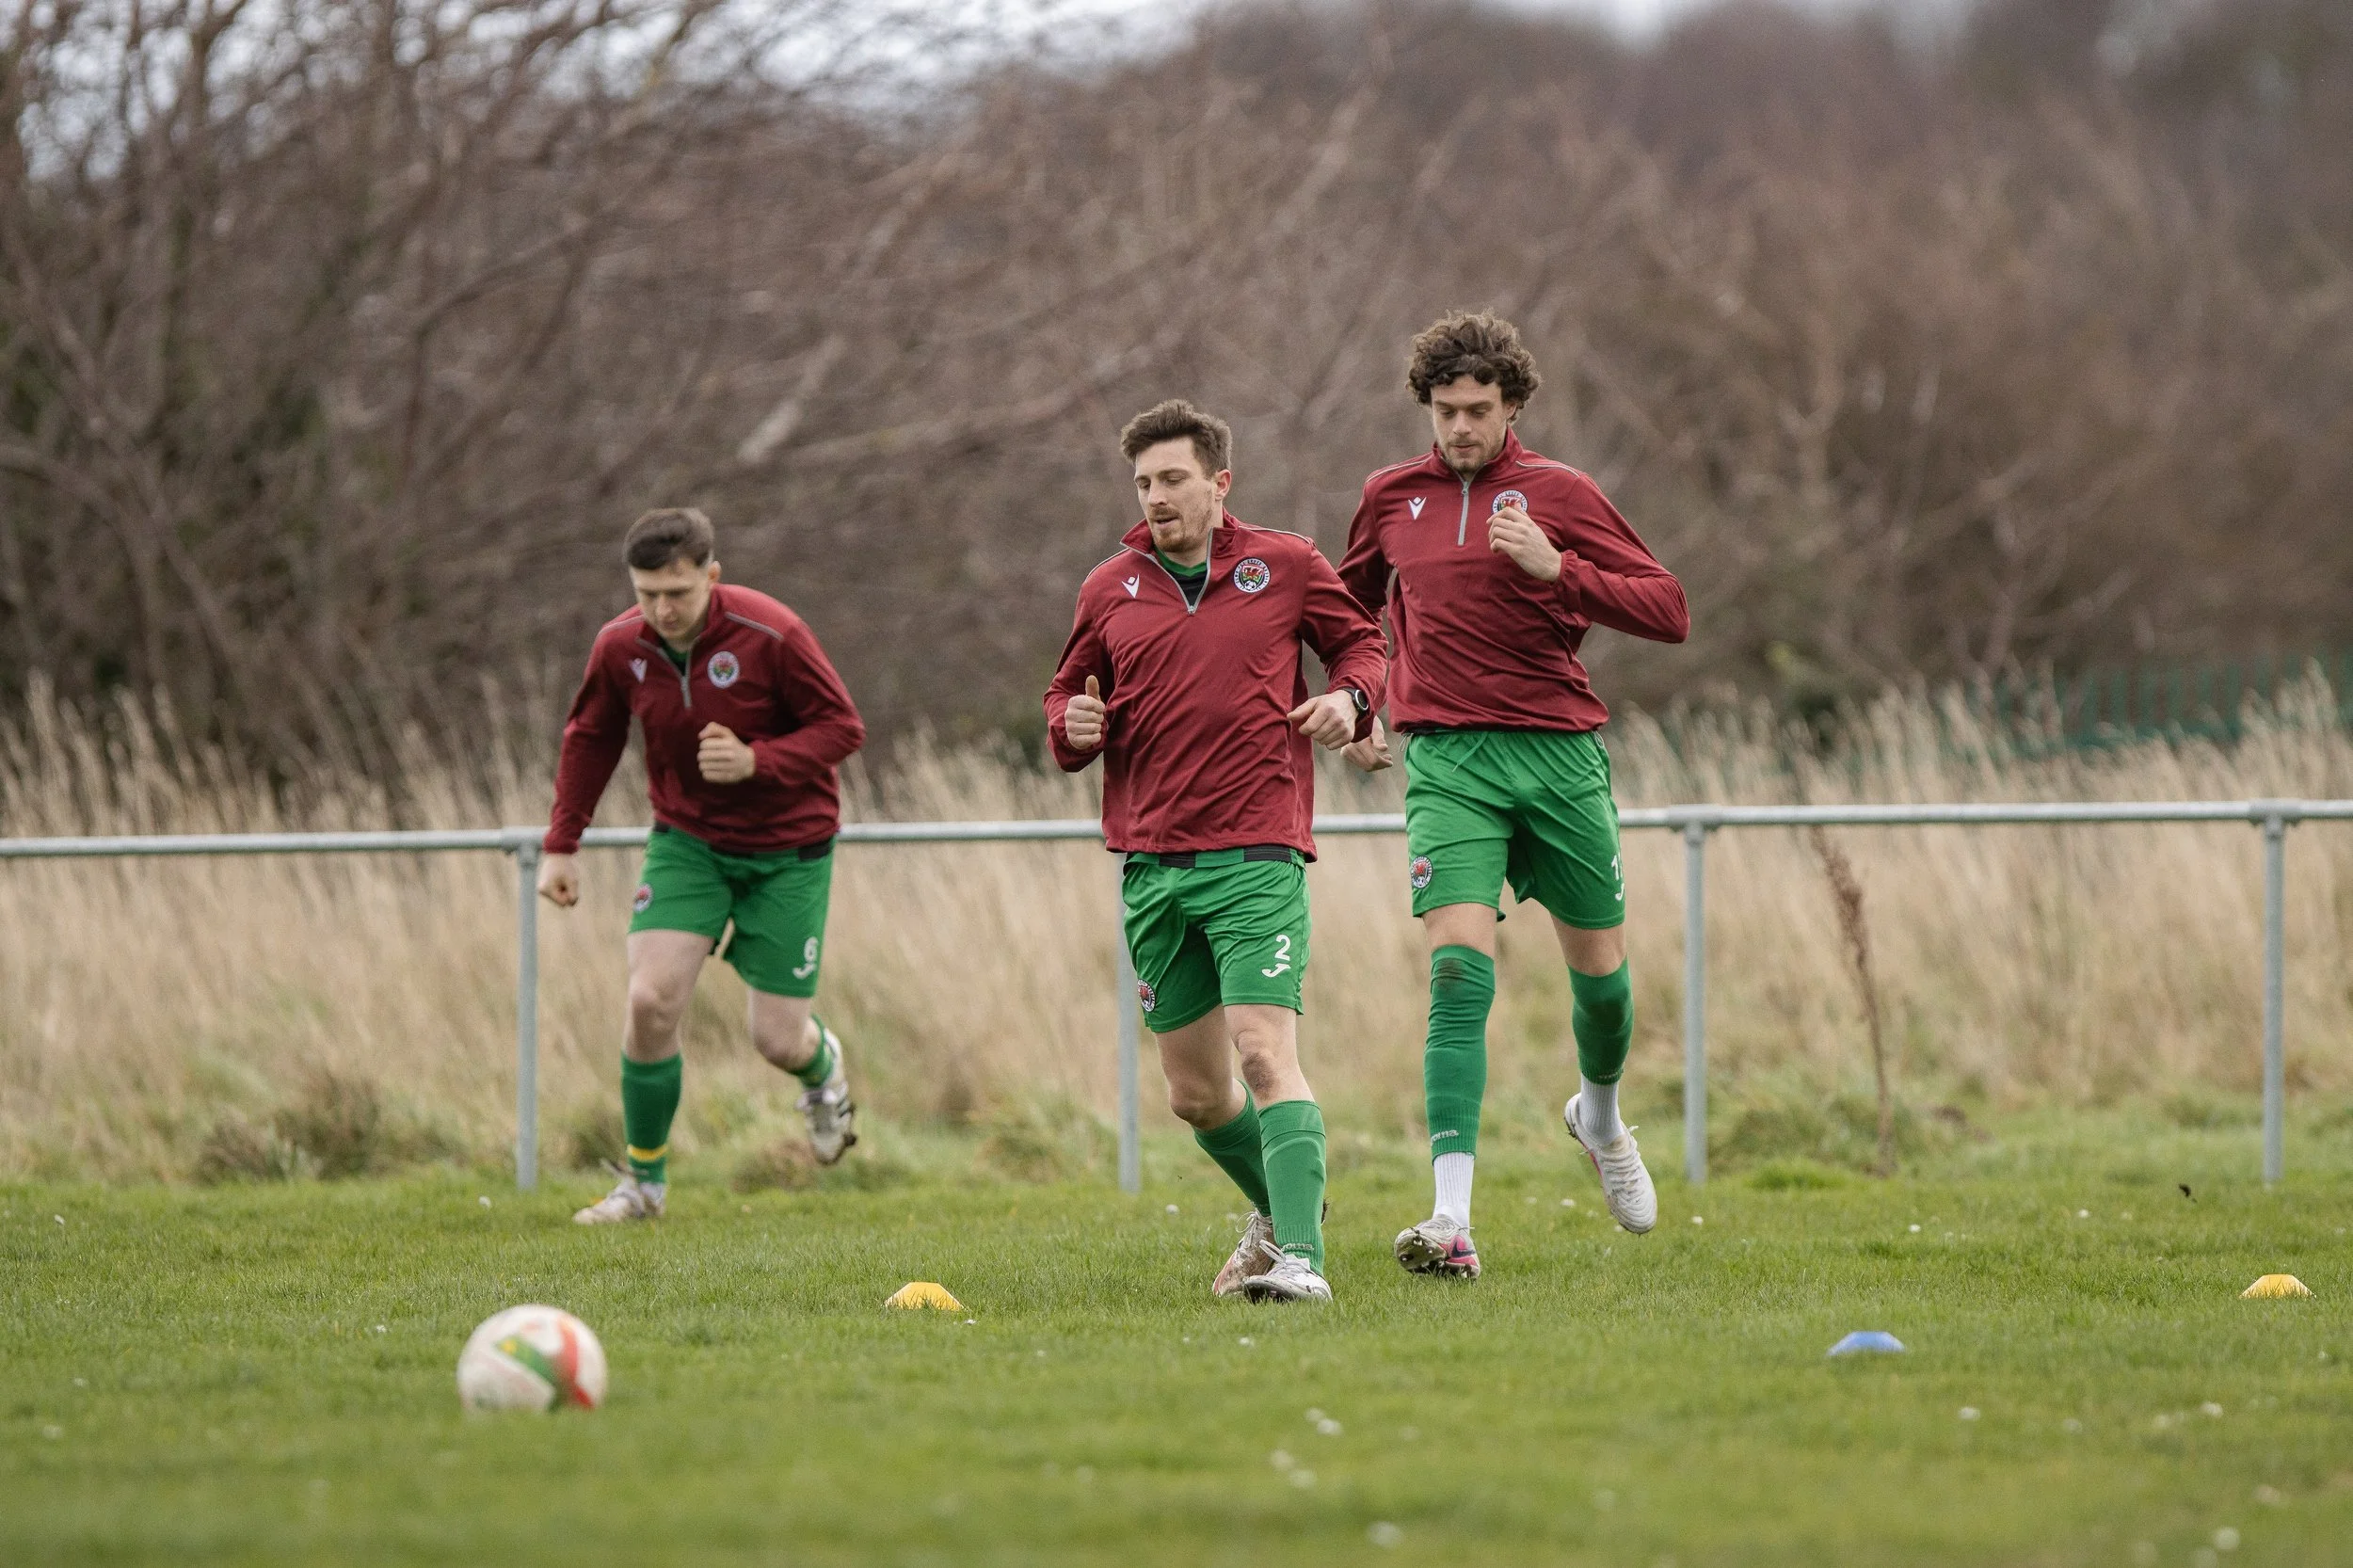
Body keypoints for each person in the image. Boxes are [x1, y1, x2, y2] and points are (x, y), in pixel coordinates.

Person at [1338, 312, 1689, 1277]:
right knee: (1456, 972)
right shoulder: (1388, 498)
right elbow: (1342, 612)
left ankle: (1600, 1117)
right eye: (1444, 410)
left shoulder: (1559, 495)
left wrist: (1558, 569)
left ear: (1513, 406)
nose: (1458, 428)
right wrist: (1359, 699)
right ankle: (1450, 1220)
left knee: (1605, 988)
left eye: (1477, 411)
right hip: (1448, 761)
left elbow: (1669, 606)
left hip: (1560, 756)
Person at [1046, 400, 1387, 1304]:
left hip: (1257, 852)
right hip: (1151, 866)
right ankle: (1282, 1211)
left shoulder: (1284, 564)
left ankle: (1304, 1264)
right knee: (1196, 1097)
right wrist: (1073, 725)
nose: (1157, 498)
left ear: (1218, 482)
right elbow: (1064, 703)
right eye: (1144, 484)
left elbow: (1361, 642)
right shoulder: (1107, 588)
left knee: (1264, 1053)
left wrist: (1352, 700)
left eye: (1173, 480)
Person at [539, 507, 867, 1224]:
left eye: (677, 593)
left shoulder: (771, 632)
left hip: (790, 851)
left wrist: (760, 761)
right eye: (646, 593)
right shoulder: (620, 646)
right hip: (687, 843)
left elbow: (844, 727)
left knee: (776, 1040)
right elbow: (590, 736)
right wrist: (563, 841)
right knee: (649, 1001)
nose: (660, 610)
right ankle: (644, 1186)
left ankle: (822, 1073)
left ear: (711, 577)